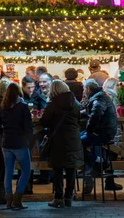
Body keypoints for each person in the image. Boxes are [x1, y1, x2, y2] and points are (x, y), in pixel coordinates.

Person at [40, 80, 84, 208]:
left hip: (58, 139)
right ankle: (68, 197)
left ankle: (58, 198)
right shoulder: (75, 103)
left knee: (58, 169)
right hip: (73, 138)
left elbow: (44, 121)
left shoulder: (52, 104)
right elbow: (79, 119)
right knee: (71, 169)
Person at [0, 82, 32, 210]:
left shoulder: (3, 106)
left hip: (6, 142)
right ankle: (17, 199)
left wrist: (4, 132)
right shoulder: (23, 106)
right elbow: (28, 127)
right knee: (26, 171)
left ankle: (9, 199)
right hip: (19, 142)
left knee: (8, 172)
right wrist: (27, 138)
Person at [81, 79, 118, 194]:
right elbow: (93, 111)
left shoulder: (98, 98)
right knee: (77, 139)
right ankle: (94, 166)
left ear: (88, 89)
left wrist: (89, 130)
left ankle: (99, 161)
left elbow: (97, 113)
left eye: (84, 89)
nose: (84, 91)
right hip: (105, 131)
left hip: (102, 133)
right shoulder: (100, 96)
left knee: (76, 144)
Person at [33, 72, 52, 185]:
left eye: (44, 81)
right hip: (41, 128)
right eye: (40, 82)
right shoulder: (36, 94)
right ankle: (44, 177)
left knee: (54, 151)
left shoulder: (56, 94)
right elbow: (34, 108)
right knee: (42, 151)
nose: (42, 84)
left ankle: (53, 176)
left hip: (55, 128)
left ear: (50, 82)